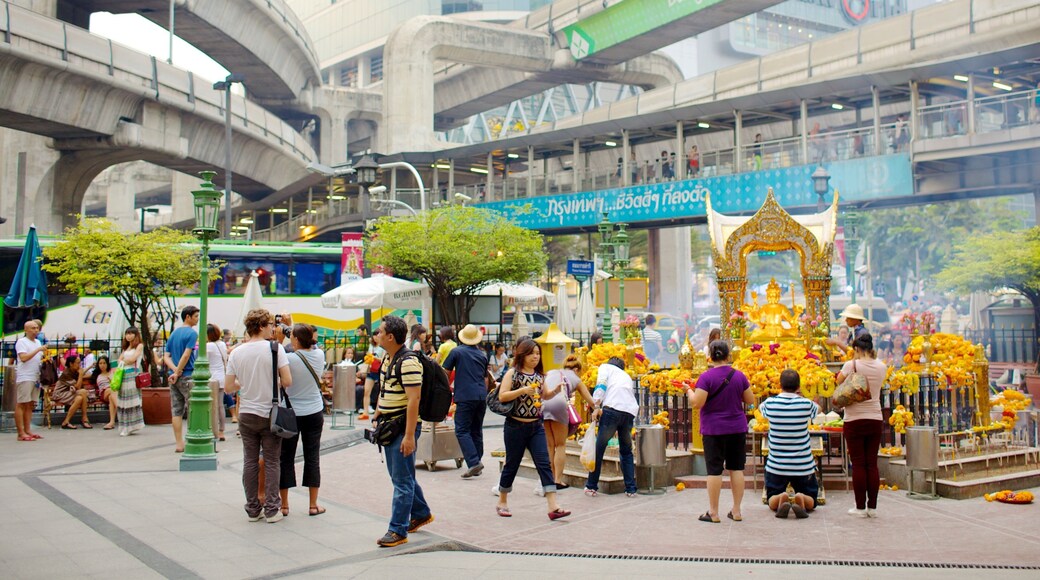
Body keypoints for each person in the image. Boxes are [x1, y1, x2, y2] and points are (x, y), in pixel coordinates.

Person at [225, 308, 292, 523]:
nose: (273, 328)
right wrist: (273, 383)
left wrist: (245, 384)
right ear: (262, 326)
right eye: (271, 325)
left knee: (250, 461)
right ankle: (272, 509)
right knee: (272, 461)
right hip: (269, 412)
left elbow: (228, 387)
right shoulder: (275, 349)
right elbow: (288, 381)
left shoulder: (237, 352)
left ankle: (253, 509)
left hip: (246, 413)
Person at [372, 315, 434, 547]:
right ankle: (421, 513)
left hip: (402, 427)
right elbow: (386, 387)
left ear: (390, 336)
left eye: (379, 332)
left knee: (401, 480)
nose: (376, 335)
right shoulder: (388, 358)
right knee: (402, 476)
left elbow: (413, 400)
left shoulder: (408, 362)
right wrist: (379, 410)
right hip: (390, 424)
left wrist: (409, 436)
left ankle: (398, 529)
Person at [496, 338, 571, 520]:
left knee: (544, 463)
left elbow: (543, 395)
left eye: (537, 354)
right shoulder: (513, 374)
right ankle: (502, 500)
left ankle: (553, 505)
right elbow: (502, 396)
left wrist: (555, 391)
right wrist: (522, 391)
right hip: (515, 426)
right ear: (522, 354)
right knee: (512, 464)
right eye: (532, 354)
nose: (535, 357)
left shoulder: (539, 375)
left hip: (536, 426)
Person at [689, 340, 754, 523]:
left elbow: (697, 403)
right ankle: (737, 510)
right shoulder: (739, 376)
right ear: (728, 355)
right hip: (736, 428)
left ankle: (714, 512)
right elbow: (750, 400)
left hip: (713, 430)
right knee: (736, 469)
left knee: (715, 471)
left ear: (710, 356)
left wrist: (688, 391)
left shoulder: (706, 377)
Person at [279, 323, 327, 517]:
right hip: (314, 411)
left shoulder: (288, 358)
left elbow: (275, 355)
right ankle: (313, 504)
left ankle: (284, 505)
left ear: (296, 339)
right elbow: (309, 345)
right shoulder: (320, 355)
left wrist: (280, 336)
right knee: (312, 456)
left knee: (286, 458)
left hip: (290, 413)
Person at [837, 333, 887, 518]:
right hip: (874, 417)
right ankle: (872, 507)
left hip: (854, 419)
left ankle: (859, 507)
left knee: (858, 464)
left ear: (857, 348)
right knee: (871, 463)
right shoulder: (882, 367)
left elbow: (839, 381)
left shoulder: (852, 365)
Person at [760, 370, 820, 519]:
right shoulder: (806, 404)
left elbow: (761, 412)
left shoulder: (770, 403)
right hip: (803, 465)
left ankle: (780, 498)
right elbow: (818, 409)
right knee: (812, 498)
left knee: (771, 497)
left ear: (780, 385)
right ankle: (802, 498)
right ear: (798, 386)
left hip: (776, 464)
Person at [584, 357, 638, 497]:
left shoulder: (605, 368)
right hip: (629, 412)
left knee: (599, 448)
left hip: (612, 410)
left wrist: (596, 406)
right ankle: (630, 488)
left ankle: (591, 486)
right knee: (626, 450)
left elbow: (601, 385)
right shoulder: (626, 375)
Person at [442, 325, 491, 478]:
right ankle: (477, 462)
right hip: (480, 396)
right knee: (476, 430)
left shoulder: (456, 352)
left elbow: (446, 373)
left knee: (462, 430)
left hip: (464, 395)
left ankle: (474, 462)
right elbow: (485, 378)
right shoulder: (482, 355)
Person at [542, 353, 595, 488]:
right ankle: (558, 480)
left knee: (550, 445)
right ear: (576, 369)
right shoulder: (576, 379)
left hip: (543, 404)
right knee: (560, 445)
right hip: (559, 405)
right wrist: (598, 408)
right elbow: (589, 399)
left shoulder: (551, 372)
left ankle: (550, 479)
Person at [164, 305, 200, 453]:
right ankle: (192, 438)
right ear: (188, 317)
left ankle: (179, 443)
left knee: (176, 410)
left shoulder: (174, 333)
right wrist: (178, 371)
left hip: (175, 377)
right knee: (193, 408)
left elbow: (166, 357)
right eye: (196, 316)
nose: (197, 319)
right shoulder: (191, 333)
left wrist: (174, 371)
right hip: (187, 374)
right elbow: (186, 355)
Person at [14, 320, 47, 441]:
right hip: (25, 376)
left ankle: (28, 430)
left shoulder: (37, 342)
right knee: (22, 403)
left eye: (37, 328)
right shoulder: (22, 342)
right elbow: (23, 358)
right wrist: (38, 350)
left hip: (35, 376)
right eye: (33, 328)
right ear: (26, 330)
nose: (36, 330)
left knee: (30, 404)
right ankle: (20, 432)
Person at [116, 327, 146, 437]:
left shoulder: (139, 346)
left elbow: (132, 359)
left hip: (132, 375)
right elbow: (119, 359)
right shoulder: (126, 347)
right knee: (123, 400)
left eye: (131, 334)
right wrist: (123, 361)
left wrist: (123, 361)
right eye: (127, 333)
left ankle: (131, 426)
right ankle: (125, 425)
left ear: (135, 334)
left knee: (131, 400)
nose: (128, 336)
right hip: (124, 375)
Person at [53, 354, 91, 430]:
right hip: (60, 394)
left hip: (69, 393)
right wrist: (80, 375)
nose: (79, 365)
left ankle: (66, 421)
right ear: (71, 364)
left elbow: (86, 376)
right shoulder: (66, 373)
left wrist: (83, 373)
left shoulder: (74, 371)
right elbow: (78, 387)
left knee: (79, 398)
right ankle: (84, 418)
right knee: (83, 392)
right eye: (77, 363)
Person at [206, 324, 229, 442]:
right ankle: (221, 431)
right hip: (221, 378)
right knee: (220, 405)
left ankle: (212, 430)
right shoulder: (222, 344)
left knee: (210, 406)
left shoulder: (208, 346)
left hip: (211, 379)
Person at [93, 356, 117, 430]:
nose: (102, 365)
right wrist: (90, 366)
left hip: (112, 393)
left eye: (104, 363)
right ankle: (121, 408)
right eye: (100, 363)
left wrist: (111, 379)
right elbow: (81, 374)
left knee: (111, 397)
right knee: (112, 391)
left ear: (107, 364)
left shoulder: (112, 372)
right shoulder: (96, 374)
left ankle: (111, 422)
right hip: (104, 393)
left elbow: (116, 384)